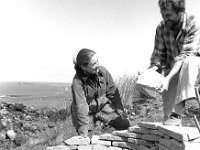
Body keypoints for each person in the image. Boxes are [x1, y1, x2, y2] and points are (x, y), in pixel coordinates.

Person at [148, 0, 200, 126]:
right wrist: (148, 73)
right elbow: (158, 57)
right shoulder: (161, 28)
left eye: (168, 15)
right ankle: (173, 119)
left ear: (180, 12)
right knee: (169, 121)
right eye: (162, 14)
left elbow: (185, 55)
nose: (165, 19)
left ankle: (184, 104)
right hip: (173, 69)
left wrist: (168, 78)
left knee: (189, 62)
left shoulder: (193, 23)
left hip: (194, 67)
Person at [71, 48, 130, 137]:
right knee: (89, 138)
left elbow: (113, 92)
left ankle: (100, 123)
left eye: (97, 61)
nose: (97, 65)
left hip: (103, 107)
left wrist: (120, 110)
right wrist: (83, 132)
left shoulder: (103, 71)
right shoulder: (77, 82)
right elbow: (81, 107)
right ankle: (95, 125)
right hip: (87, 112)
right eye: (94, 64)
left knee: (124, 124)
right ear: (83, 67)